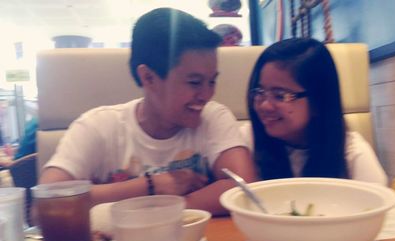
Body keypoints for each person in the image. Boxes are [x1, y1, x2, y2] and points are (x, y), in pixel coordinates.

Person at [39, 8, 257, 215]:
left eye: (212, 81)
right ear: (148, 78)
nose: (207, 94)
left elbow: (244, 187)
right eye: (194, 82)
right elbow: (47, 204)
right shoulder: (99, 126)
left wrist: (171, 208)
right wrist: (150, 185)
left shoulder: (213, 117)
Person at [246, 38, 387, 185]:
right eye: (259, 91)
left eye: (280, 95)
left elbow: (376, 203)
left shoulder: (351, 153)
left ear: (318, 101)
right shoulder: (247, 142)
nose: (264, 106)